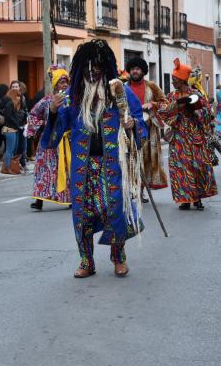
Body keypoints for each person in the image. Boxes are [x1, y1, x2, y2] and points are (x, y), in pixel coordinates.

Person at [41, 39, 147, 278]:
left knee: (115, 211)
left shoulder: (120, 91)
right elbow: (53, 137)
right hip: (83, 168)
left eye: (96, 69)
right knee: (82, 214)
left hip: (112, 166)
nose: (91, 74)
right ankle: (86, 261)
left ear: (105, 68)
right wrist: (54, 111)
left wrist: (133, 124)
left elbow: (140, 123)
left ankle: (118, 258)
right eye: (87, 69)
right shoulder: (72, 97)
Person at [158, 58, 218, 211]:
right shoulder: (171, 96)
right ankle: (185, 199)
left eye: (175, 80)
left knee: (198, 166)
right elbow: (164, 112)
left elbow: (207, 114)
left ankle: (197, 198)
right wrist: (177, 105)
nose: (172, 82)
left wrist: (195, 110)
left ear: (183, 80)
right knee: (180, 168)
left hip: (195, 137)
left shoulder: (197, 94)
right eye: (172, 79)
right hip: (178, 138)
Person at [27, 65, 72, 210]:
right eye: (61, 82)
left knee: (67, 170)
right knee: (43, 171)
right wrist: (39, 127)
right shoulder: (46, 101)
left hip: (67, 142)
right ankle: (39, 199)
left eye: (66, 82)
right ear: (55, 84)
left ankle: (70, 198)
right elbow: (33, 114)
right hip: (48, 142)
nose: (64, 85)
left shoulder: (72, 101)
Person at [125, 56, 168, 200]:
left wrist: (153, 105)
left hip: (148, 130)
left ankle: (141, 190)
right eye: (132, 69)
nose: (135, 71)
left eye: (137, 69)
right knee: (130, 159)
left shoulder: (152, 86)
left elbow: (165, 103)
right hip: (127, 129)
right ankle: (132, 190)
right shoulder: (123, 87)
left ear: (143, 71)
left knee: (145, 160)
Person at [0, 84, 26, 175]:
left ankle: (9, 167)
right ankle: (7, 168)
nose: (19, 98)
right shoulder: (10, 104)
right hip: (10, 129)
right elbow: (8, 117)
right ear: (13, 96)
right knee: (9, 150)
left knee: (13, 149)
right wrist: (17, 124)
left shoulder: (15, 105)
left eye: (19, 96)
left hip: (14, 128)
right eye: (17, 96)